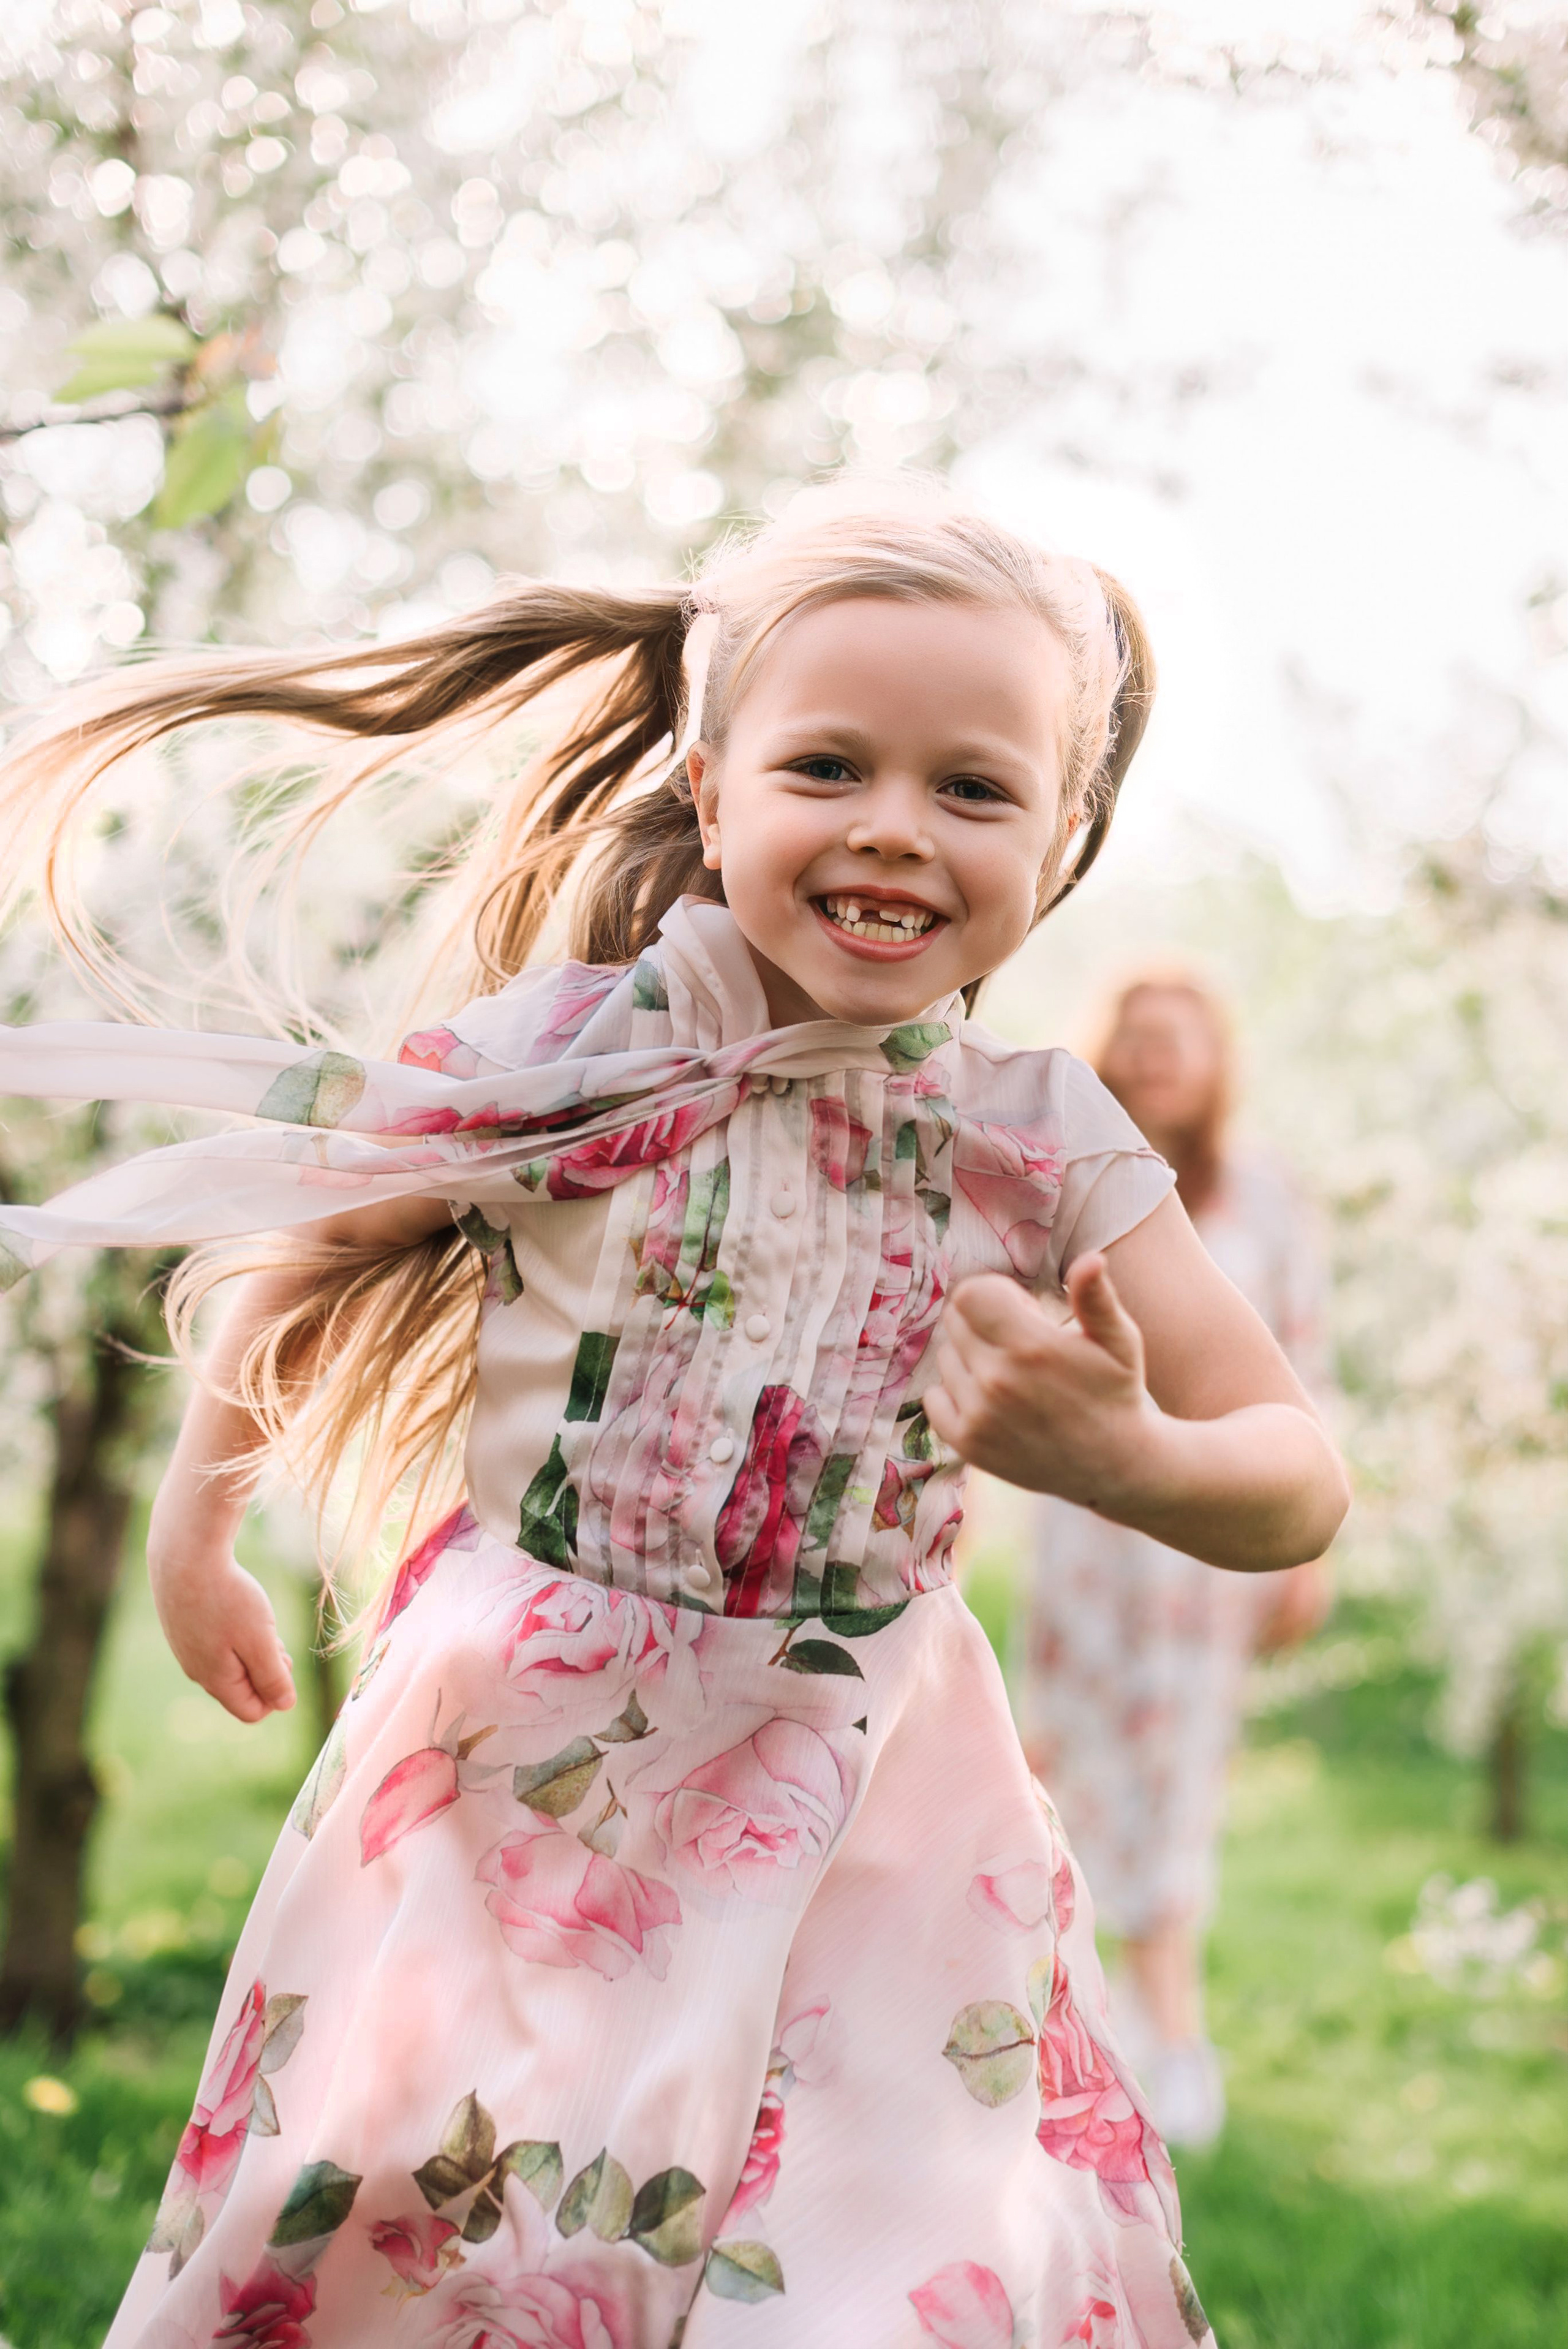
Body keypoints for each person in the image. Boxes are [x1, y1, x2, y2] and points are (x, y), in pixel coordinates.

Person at [0, 486, 1348, 2349]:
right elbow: (313, 1251)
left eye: (973, 789)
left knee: (880, 2280)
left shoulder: (1041, 1139)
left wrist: (1131, 1462)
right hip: (524, 1765)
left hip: (865, 1789)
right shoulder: (576, 1058)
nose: (895, 825)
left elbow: (1294, 1473)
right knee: (446, 2235)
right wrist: (193, 1526)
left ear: (1055, 842)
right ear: (714, 796)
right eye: (829, 767)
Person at [1012, 972, 1333, 2152]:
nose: (1155, 1059)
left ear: (1213, 1062)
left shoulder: (1268, 1196)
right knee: (1064, 1753)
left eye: (1176, 1041)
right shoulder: (1064, 1179)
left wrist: (1306, 1552)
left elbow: (1303, 1365)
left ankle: (1175, 2023)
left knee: (1181, 1763)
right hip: (1092, 1533)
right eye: (1137, 1039)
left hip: (1207, 1548)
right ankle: (1079, 2014)